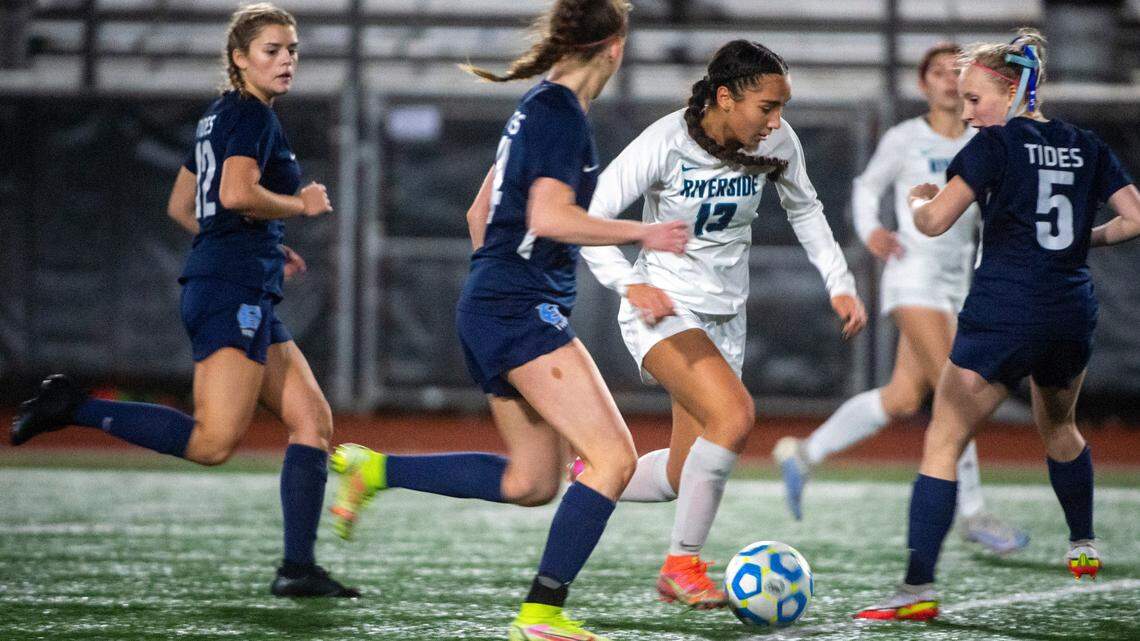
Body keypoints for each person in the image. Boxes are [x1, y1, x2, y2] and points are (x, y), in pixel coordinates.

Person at [325, 2, 687, 639]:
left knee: (530, 481)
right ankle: (541, 613)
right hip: (519, 311)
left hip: (492, 306)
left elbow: (478, 213)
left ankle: (374, 469)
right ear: (615, 48)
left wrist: (499, 282)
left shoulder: (533, 110)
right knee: (612, 460)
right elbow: (548, 218)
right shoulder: (562, 117)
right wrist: (643, 233)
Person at [9, 3, 357, 598]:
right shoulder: (250, 116)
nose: (286, 60)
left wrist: (267, 244)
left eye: (292, 49)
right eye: (272, 50)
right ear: (240, 58)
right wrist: (299, 206)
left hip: (239, 279)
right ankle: (73, 405)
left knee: (311, 421)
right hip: (231, 289)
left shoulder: (219, 115)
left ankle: (297, 568)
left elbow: (183, 205)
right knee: (213, 442)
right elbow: (235, 192)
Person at [855, 29, 1140, 621]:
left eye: (975, 99)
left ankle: (915, 591)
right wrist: (1075, 243)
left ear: (1012, 92)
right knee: (1059, 427)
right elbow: (1135, 220)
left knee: (943, 438)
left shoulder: (993, 145)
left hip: (1003, 310)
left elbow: (933, 222)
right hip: (1069, 311)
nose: (968, 112)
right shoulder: (1086, 144)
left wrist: (916, 201)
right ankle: (1083, 544)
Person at [577, 39, 865, 609]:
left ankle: (586, 477)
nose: (778, 121)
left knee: (684, 477)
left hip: (725, 317)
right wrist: (629, 283)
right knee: (735, 416)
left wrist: (840, 283)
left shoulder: (778, 140)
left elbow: (806, 208)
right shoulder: (666, 141)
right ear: (726, 97)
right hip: (662, 309)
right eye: (767, 107)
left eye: (784, 107)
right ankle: (681, 565)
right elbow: (590, 218)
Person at [772, 43, 1029, 555]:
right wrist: (870, 231)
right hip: (911, 278)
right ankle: (974, 512)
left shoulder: (987, 143)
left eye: (958, 72)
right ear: (923, 85)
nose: (949, 80)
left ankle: (803, 453)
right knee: (957, 388)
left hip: (959, 283)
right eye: (938, 72)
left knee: (904, 398)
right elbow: (867, 187)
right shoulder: (905, 137)